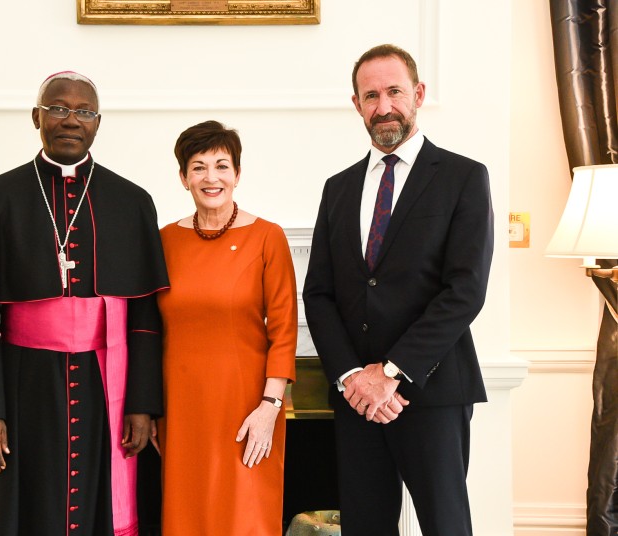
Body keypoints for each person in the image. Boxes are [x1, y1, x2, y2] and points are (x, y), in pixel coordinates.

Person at [0, 71, 169, 536]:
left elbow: (144, 318)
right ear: (36, 117)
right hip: (25, 384)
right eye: (58, 108)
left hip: (106, 383)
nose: (70, 120)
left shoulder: (132, 202)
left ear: (97, 123)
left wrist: (141, 403)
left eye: (83, 111)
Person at [303, 44, 494, 535]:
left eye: (394, 92)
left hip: (431, 390)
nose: (383, 106)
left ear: (418, 94)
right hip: (356, 400)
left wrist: (390, 373)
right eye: (371, 95)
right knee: (365, 526)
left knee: (445, 524)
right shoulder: (337, 188)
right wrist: (351, 377)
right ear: (356, 104)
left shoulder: (463, 177)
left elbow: (465, 290)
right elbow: (318, 294)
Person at [156, 120, 297, 535]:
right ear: (183, 178)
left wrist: (270, 408)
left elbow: (284, 329)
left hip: (248, 409)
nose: (211, 177)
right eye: (198, 167)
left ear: (237, 173)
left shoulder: (268, 237)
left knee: (244, 517)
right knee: (186, 518)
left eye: (221, 165)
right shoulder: (163, 241)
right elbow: (148, 329)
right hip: (180, 410)